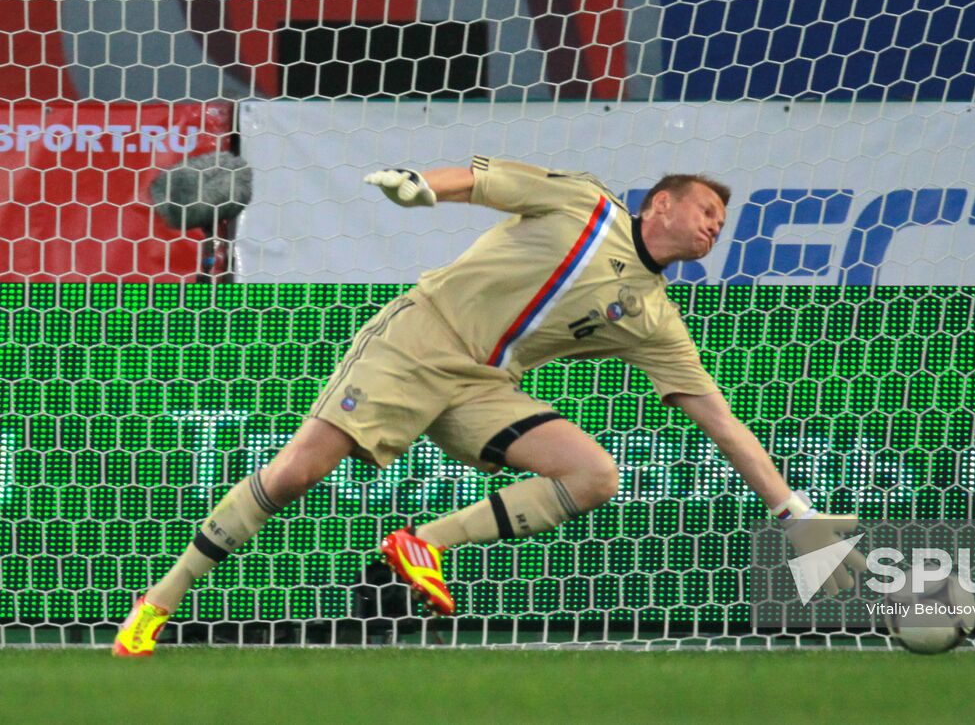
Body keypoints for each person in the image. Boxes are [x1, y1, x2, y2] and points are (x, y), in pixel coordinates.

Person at [113, 159, 866, 656]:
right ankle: (158, 602)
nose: (714, 225)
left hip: (480, 387)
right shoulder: (585, 204)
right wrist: (424, 188)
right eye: (705, 209)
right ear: (660, 204)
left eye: (720, 221)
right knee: (294, 477)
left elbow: (722, 422)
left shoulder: (653, 315)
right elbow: (485, 179)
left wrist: (796, 516)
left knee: (593, 474)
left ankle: (422, 544)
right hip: (418, 340)